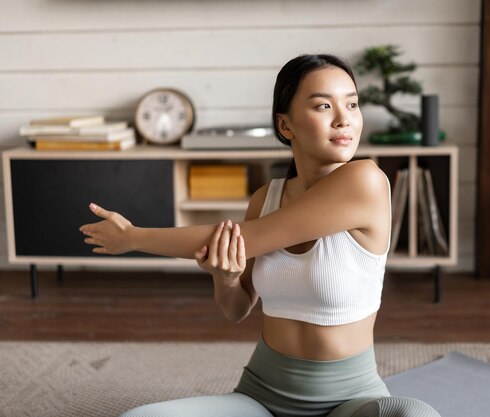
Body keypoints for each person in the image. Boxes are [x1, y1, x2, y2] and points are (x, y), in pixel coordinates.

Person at [80, 54, 440, 417]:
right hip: (262, 399)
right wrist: (226, 277)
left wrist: (133, 237)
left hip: (349, 403)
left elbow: (243, 239)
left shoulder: (366, 181)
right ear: (286, 126)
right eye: (324, 105)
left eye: (352, 103)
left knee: (414, 414)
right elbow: (237, 309)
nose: (344, 118)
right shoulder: (264, 199)